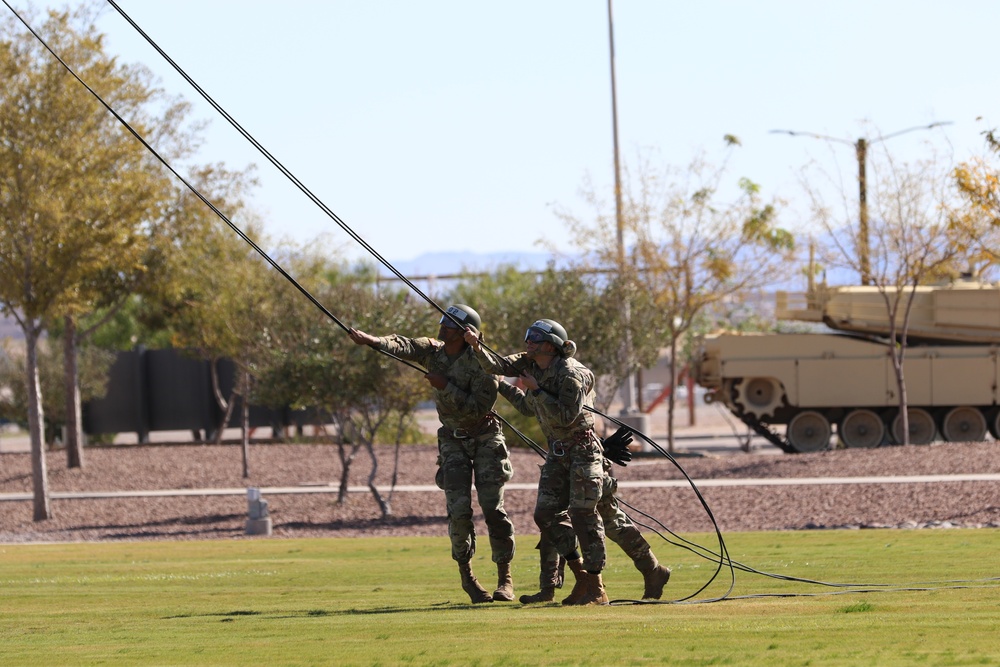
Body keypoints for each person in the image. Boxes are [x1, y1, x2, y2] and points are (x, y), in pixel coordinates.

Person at [349, 304, 515, 604]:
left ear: (467, 334)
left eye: (450, 324)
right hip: (452, 441)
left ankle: (505, 579)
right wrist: (372, 341)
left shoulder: (484, 364)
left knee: (493, 509)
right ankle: (469, 579)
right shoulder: (432, 352)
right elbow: (403, 345)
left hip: (485, 438)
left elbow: (479, 406)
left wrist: (446, 386)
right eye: (443, 321)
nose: (442, 327)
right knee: (458, 511)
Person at [465, 318, 613, 605]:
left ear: (551, 345)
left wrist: (537, 391)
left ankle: (597, 589)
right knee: (545, 515)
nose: (528, 341)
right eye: (527, 336)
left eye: (534, 337)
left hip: (583, 451)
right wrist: (476, 345)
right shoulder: (528, 363)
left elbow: (565, 416)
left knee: (584, 515)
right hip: (558, 453)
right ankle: (581, 575)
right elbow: (496, 365)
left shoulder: (571, 375)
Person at [519, 455, 671, 603]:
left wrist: (601, 446)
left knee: (604, 519)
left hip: (586, 457)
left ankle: (651, 570)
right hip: (560, 455)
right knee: (547, 514)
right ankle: (570, 581)